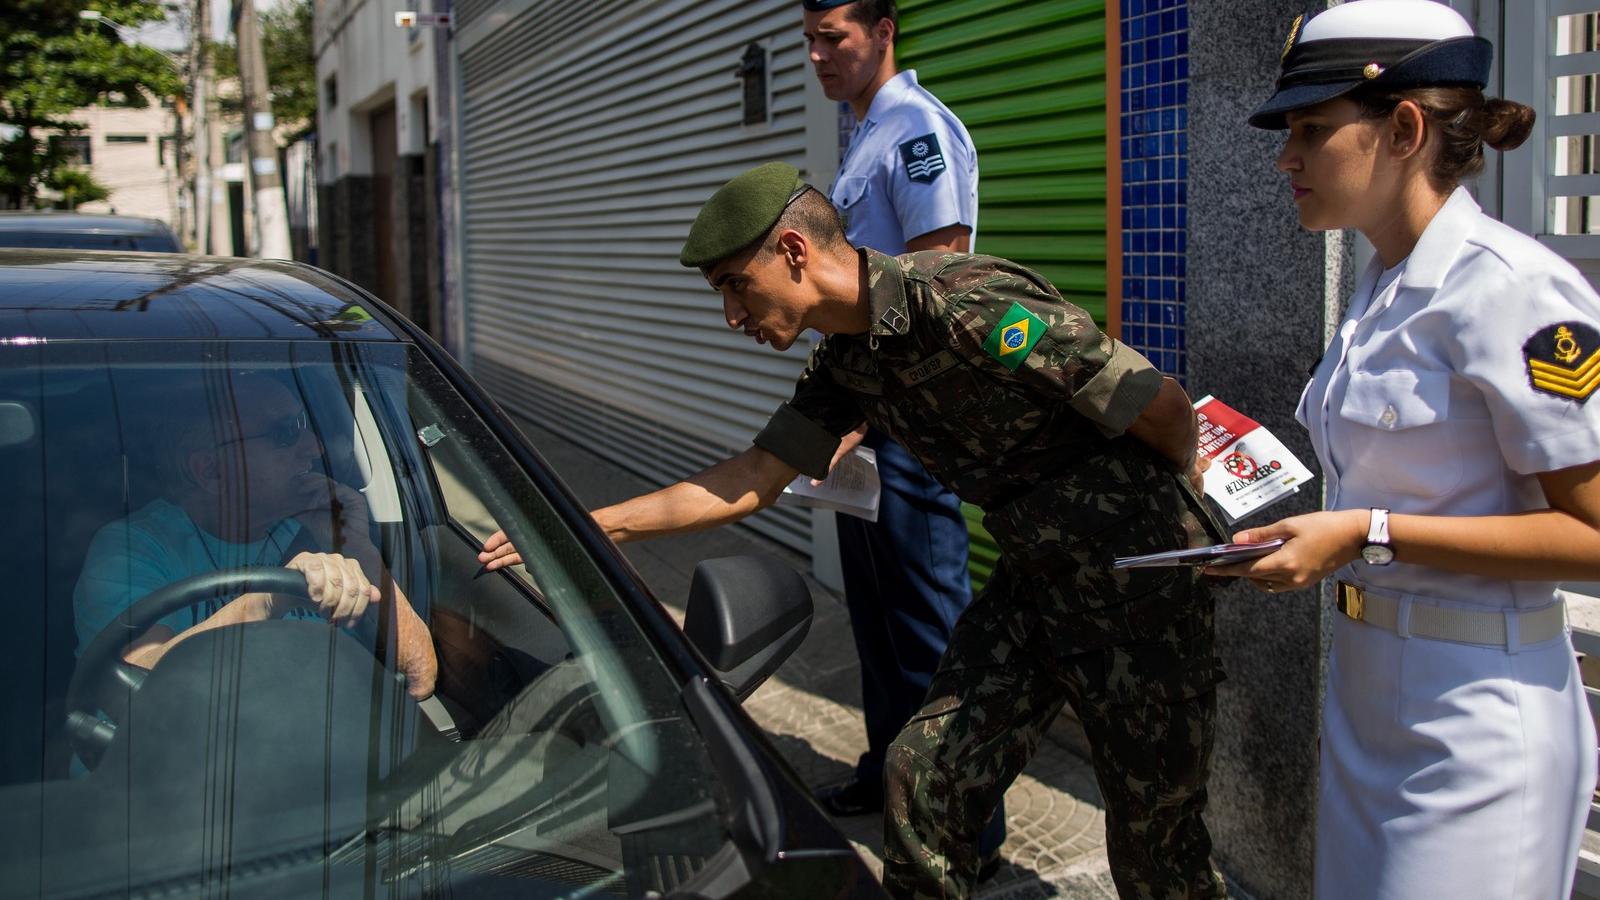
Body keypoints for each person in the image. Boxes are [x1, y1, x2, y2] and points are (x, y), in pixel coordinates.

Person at [481, 162, 1228, 898]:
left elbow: (1154, 403)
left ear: (794, 253)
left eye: (735, 287)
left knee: (1155, 850)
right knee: (922, 774)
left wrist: (1184, 510)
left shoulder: (964, 300)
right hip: (1035, 582)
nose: (731, 318)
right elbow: (754, 477)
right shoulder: (846, 364)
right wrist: (593, 524)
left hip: (1138, 586)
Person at [1207, 2, 1600, 897]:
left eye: (1312, 129)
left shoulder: (1513, 291)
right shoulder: (1381, 285)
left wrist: (1362, 532)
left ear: (1406, 129)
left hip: (1478, 721)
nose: (1286, 159)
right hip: (1369, 699)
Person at [800, 0, 1004, 860]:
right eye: (809, 39)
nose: (817, 55)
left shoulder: (916, 130)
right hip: (867, 424)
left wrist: (877, 409)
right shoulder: (864, 136)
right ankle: (890, 776)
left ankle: (963, 825)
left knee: (930, 631)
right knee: (878, 619)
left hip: (910, 430)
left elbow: (941, 280)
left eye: (833, 37)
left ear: (884, 32)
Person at [74, 373, 437, 701]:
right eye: (285, 433)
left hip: (312, 756)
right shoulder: (131, 550)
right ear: (211, 470)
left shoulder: (310, 530)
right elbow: (137, 688)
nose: (314, 447)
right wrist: (265, 601)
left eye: (303, 423)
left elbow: (420, 676)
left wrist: (355, 544)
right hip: (178, 767)